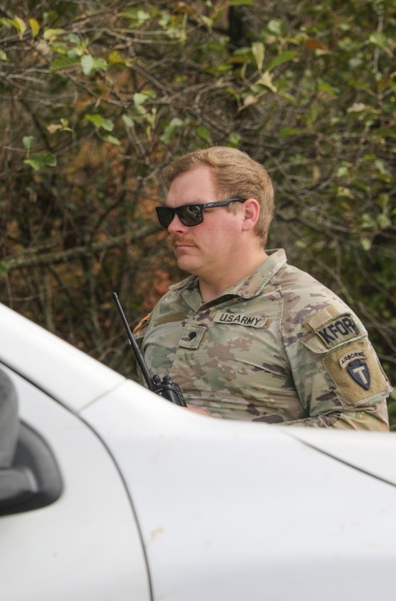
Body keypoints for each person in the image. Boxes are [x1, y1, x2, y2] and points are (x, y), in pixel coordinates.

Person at [136, 146, 391, 429]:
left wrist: (230, 438)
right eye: (167, 214)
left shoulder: (306, 308)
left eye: (191, 212)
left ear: (247, 214)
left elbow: (366, 426)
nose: (173, 227)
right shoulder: (169, 306)